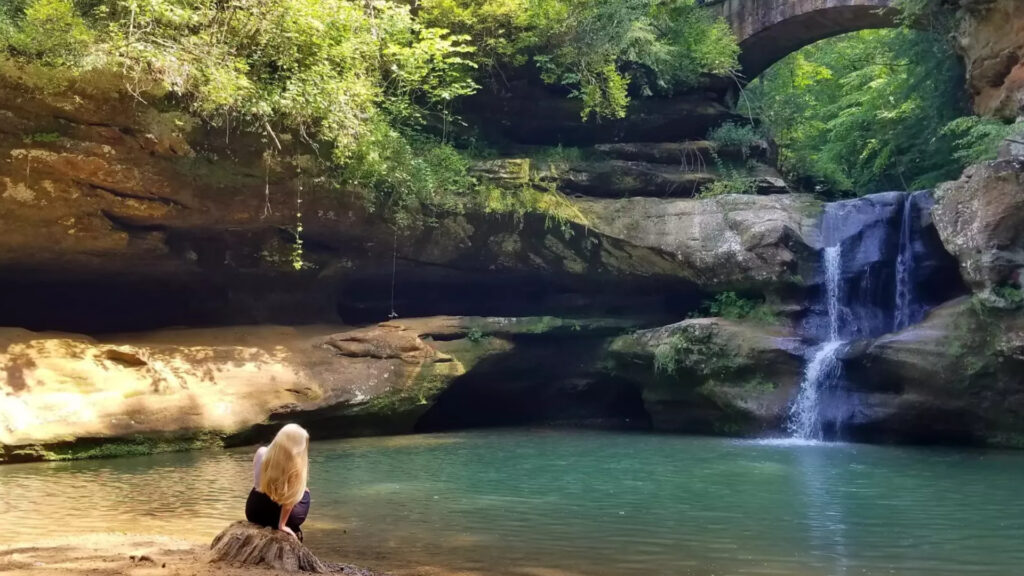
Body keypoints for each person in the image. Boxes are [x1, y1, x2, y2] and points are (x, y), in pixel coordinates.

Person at [245, 423, 312, 541]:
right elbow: (289, 500)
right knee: (305, 492)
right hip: (278, 517)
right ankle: (288, 524)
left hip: (254, 512)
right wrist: (282, 525)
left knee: (298, 489)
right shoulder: (295, 465)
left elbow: (258, 482)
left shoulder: (261, 452)